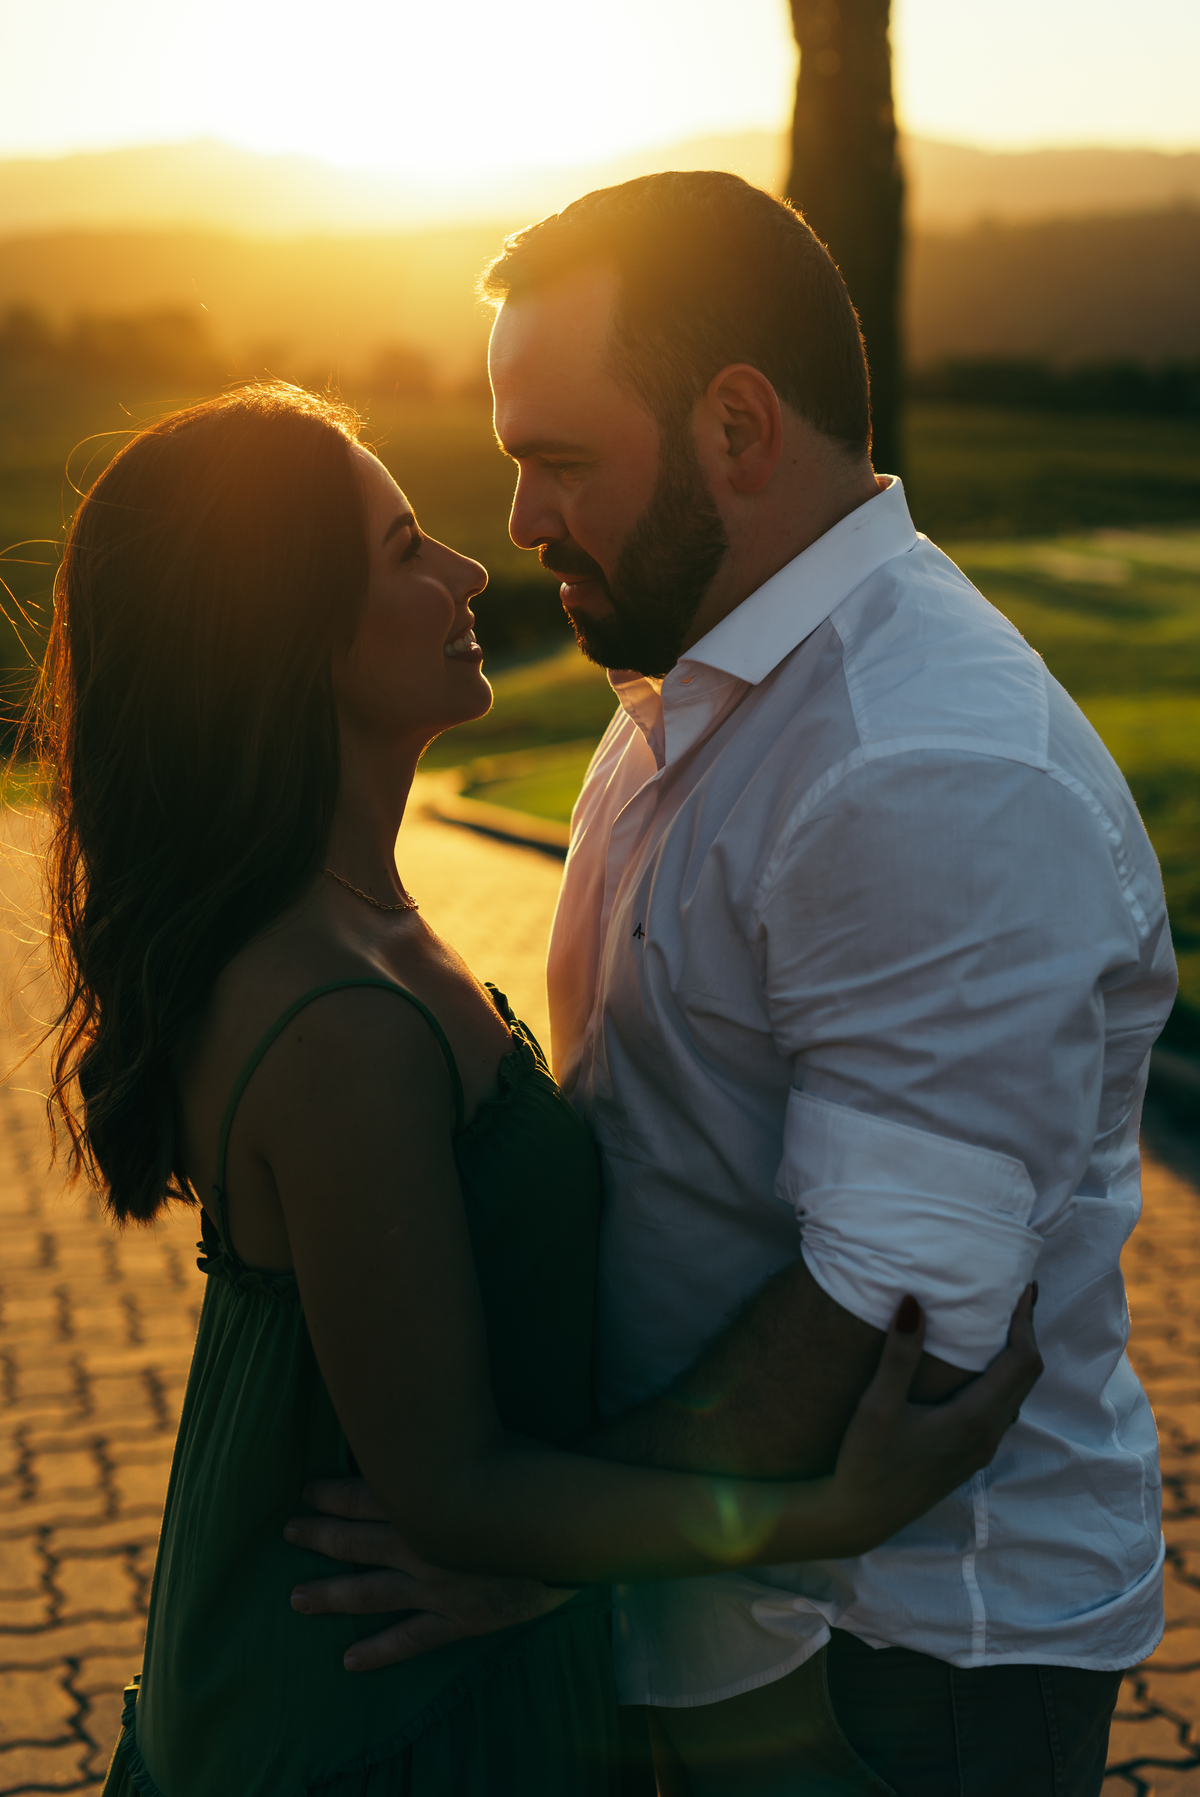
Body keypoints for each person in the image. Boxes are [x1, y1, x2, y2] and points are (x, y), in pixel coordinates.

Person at [287, 173, 1176, 1795]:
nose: (524, 520)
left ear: (739, 428)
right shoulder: (698, 686)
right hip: (727, 1618)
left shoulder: (926, 769)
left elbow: (892, 1316)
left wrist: (537, 1534)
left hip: (897, 1666)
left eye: (560, 461)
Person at [32, 382, 1038, 1797]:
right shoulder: (336, 1022)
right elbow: (457, 1486)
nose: (467, 574)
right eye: (403, 554)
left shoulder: (355, 923)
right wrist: (826, 1507)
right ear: (289, 639)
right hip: (374, 1724)